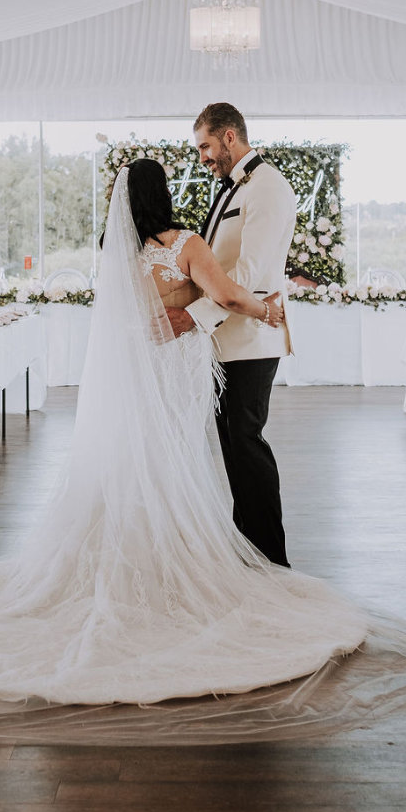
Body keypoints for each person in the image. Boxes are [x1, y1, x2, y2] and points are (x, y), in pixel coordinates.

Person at [0, 161, 406, 742]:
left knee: (145, 472)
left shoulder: (126, 263)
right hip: (180, 382)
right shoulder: (185, 242)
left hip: (143, 386)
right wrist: (270, 308)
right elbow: (225, 295)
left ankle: (138, 558)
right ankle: (177, 567)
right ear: (164, 195)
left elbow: (151, 320)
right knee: (180, 469)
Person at [168, 102, 297, 565]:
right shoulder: (234, 185)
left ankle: (271, 560)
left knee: (246, 443)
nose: (202, 157)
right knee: (232, 448)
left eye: (205, 145)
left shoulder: (267, 187)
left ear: (228, 136)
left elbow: (250, 271)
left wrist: (194, 316)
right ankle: (248, 552)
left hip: (250, 336)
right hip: (228, 338)